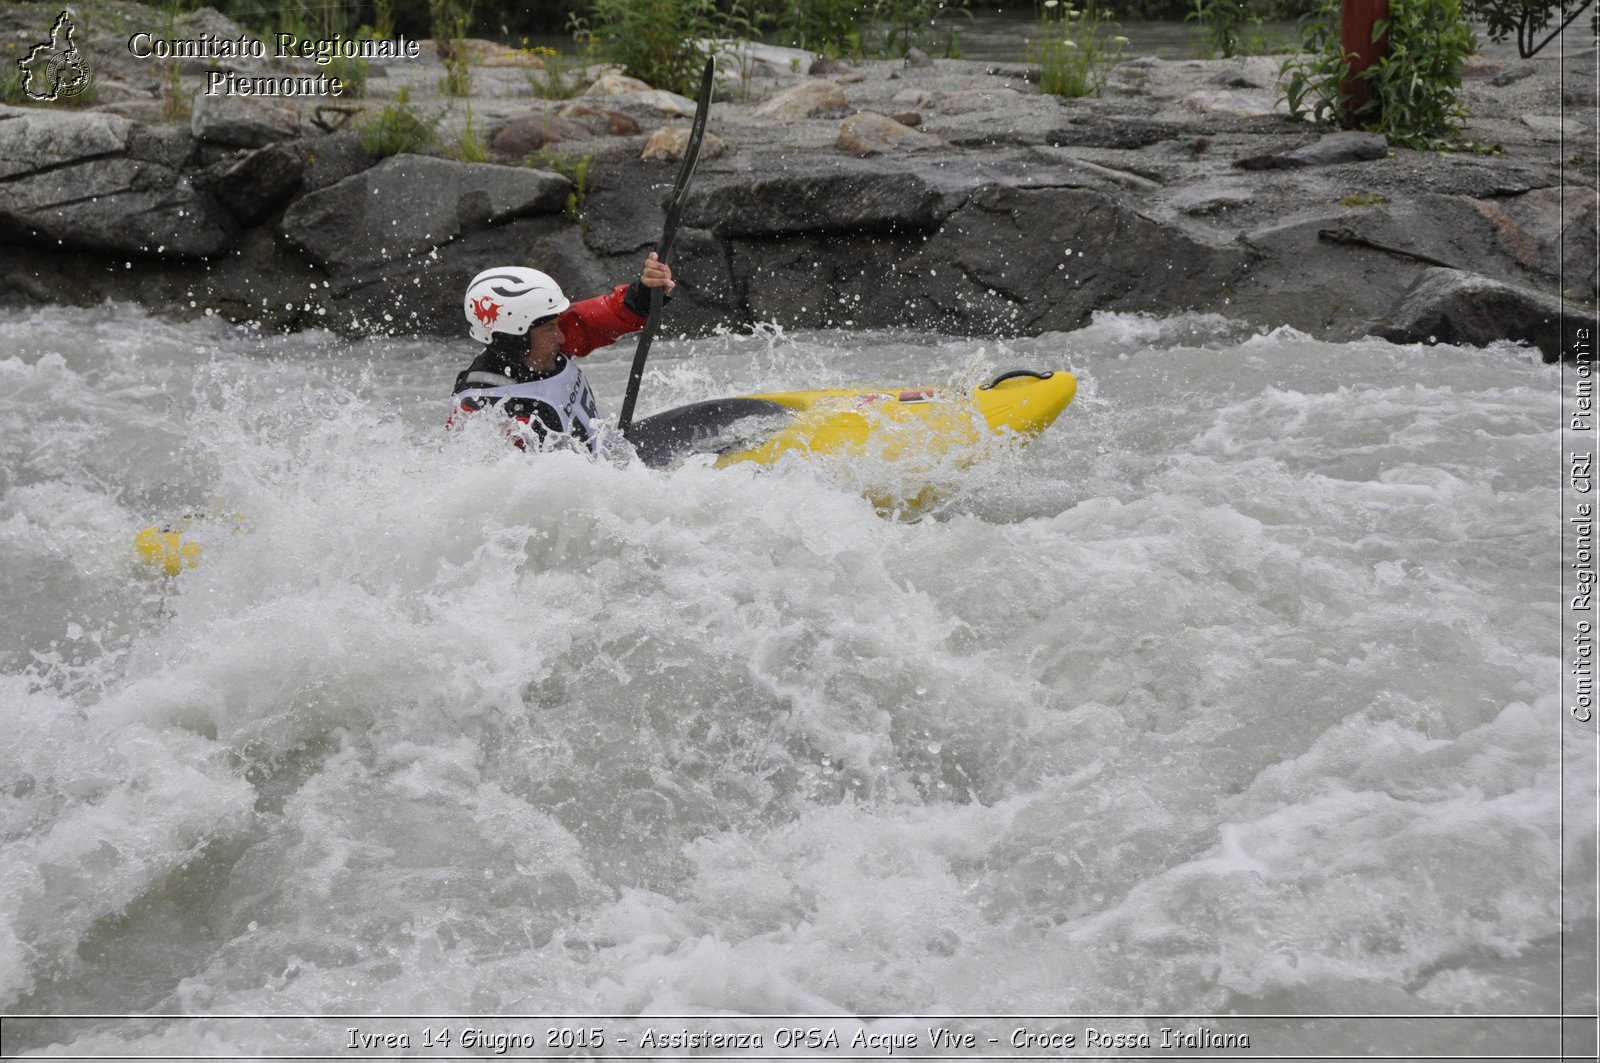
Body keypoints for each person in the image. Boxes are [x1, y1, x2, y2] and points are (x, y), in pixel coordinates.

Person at [450, 252, 674, 452]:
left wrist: (645, 293)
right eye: (550, 329)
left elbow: (607, 315)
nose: (561, 337)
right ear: (514, 339)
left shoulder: (537, 343)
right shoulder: (484, 417)